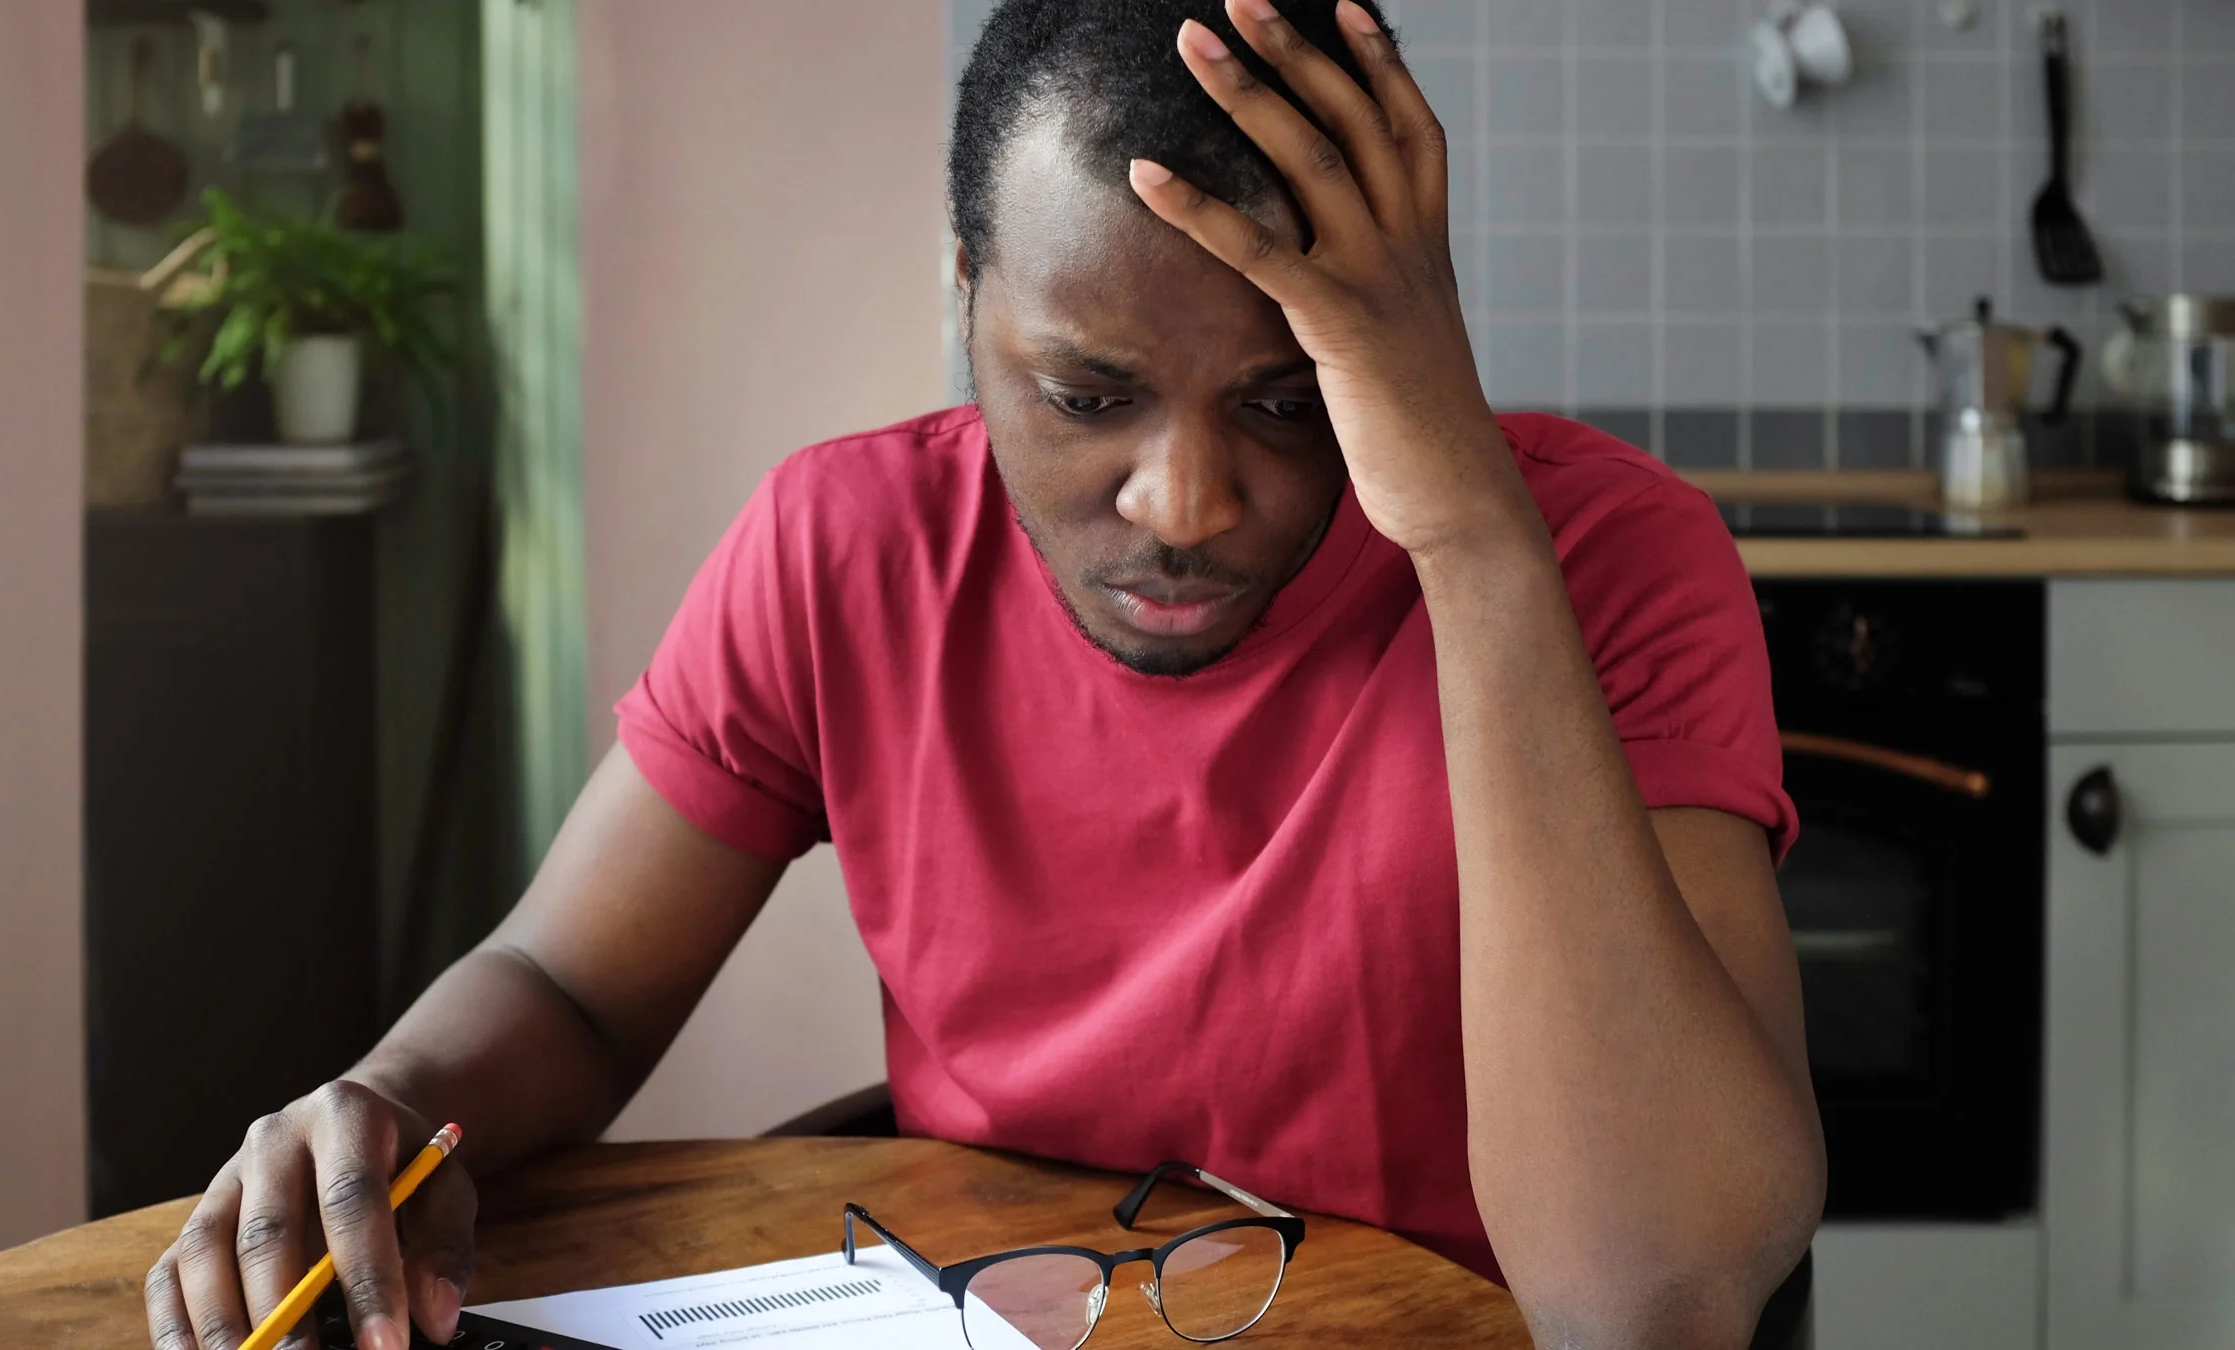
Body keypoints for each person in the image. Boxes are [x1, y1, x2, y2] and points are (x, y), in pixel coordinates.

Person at [146, 3, 1824, 1348]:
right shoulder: (846, 542)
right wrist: (391, 1102)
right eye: (1088, 395)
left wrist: (1470, 537)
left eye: (1287, 398)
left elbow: (1649, 1299)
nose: (1184, 505)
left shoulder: (1599, 561)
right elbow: (575, 987)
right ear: (963, 302)